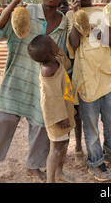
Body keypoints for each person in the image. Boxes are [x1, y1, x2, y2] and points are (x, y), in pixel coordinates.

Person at [0, 0, 68, 183]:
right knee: (1, 125)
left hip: (42, 87)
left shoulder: (64, 21)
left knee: (40, 127)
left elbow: (63, 54)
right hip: (16, 80)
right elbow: (0, 28)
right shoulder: (26, 11)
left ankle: (33, 166)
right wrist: (14, 2)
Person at [66, 0, 111, 182]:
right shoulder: (71, 15)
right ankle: (95, 162)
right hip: (87, 80)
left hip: (107, 78)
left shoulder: (102, 13)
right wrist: (76, 15)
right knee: (90, 124)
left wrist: (107, 33)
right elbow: (73, 43)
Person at [27, 34, 75, 183]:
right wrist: (61, 118)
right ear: (52, 52)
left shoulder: (54, 61)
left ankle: (59, 172)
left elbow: (66, 63)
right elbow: (50, 99)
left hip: (65, 114)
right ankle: (50, 180)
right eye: (54, 43)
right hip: (57, 118)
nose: (56, 43)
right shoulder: (48, 70)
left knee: (64, 144)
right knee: (55, 149)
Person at [58, 0, 84, 164]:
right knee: (63, 115)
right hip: (58, 79)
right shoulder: (52, 26)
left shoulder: (72, 22)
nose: (61, 7)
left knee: (77, 114)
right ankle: (63, 150)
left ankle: (79, 148)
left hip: (73, 75)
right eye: (59, 5)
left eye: (64, 5)